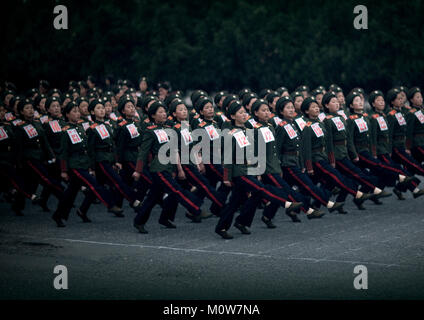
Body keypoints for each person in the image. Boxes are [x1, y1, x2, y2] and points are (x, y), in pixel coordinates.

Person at [215, 101, 302, 239]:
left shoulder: (249, 131)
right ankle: (286, 203)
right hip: (239, 171)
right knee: (261, 189)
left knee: (236, 201)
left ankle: (230, 225)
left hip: (249, 169)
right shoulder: (231, 133)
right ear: (232, 116)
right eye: (240, 113)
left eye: (245, 112)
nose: (244, 115)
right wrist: (226, 177)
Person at [250, 99, 324, 224]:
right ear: (255, 113)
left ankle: (266, 216)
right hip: (268, 168)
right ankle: (308, 210)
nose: (267, 112)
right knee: (283, 190)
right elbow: (260, 151)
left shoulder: (272, 126)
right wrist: (258, 170)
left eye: (268, 110)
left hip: (276, 166)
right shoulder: (257, 129)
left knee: (279, 192)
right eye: (263, 110)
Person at [132, 101, 203, 234]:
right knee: (176, 190)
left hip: (168, 167)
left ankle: (140, 221)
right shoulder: (150, 131)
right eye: (160, 112)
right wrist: (138, 170)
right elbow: (143, 152)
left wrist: (177, 168)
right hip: (158, 168)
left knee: (153, 197)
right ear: (153, 115)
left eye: (164, 111)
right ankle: (195, 208)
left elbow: (174, 149)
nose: (164, 114)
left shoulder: (168, 129)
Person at [53, 102, 123, 227]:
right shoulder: (65, 130)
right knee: (94, 184)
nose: (77, 113)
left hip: (83, 163)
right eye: (73, 111)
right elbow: (63, 152)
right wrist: (63, 170)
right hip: (75, 165)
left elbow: (88, 149)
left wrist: (91, 166)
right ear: (67, 114)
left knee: (71, 193)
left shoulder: (81, 127)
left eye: (77, 111)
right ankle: (111, 205)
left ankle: (60, 214)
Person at [322, 92, 392, 207]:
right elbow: (329, 142)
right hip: (337, 155)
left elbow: (348, 139)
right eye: (333, 102)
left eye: (337, 101)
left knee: (345, 179)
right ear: (326, 105)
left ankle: (332, 202)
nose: (337, 104)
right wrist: (332, 159)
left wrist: (352, 154)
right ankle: (374, 190)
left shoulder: (340, 118)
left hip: (345, 153)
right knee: (355, 174)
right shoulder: (327, 120)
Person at [301, 96, 372, 210]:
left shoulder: (320, 123)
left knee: (330, 182)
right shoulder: (309, 126)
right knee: (335, 177)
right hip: (316, 158)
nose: (316, 109)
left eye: (316, 106)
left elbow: (330, 142)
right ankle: (357, 194)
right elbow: (307, 148)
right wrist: (309, 166)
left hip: (326, 157)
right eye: (313, 107)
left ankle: (316, 204)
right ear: (306, 111)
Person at [345, 91, 419, 200]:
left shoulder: (368, 117)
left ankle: (361, 198)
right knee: (378, 167)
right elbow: (351, 139)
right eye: (356, 101)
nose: (360, 102)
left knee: (374, 175)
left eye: (360, 100)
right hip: (360, 151)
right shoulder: (353, 119)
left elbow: (372, 136)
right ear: (351, 105)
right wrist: (356, 153)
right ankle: (401, 178)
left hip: (371, 149)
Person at [275, 96, 343, 213]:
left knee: (290, 190)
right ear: (281, 111)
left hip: (295, 161)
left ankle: (272, 214)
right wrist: (279, 166)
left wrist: (302, 164)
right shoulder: (281, 127)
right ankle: (327, 204)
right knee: (307, 185)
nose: (291, 110)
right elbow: (278, 149)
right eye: (288, 108)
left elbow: (300, 147)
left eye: (292, 108)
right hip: (287, 163)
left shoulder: (293, 125)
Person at [86, 98, 142, 219]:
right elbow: (90, 150)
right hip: (101, 159)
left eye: (103, 108)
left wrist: (116, 160)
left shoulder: (108, 125)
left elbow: (114, 144)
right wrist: (91, 167)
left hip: (109, 158)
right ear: (92, 112)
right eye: (98, 108)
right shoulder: (92, 129)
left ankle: (82, 210)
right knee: (117, 180)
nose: (102, 110)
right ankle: (133, 201)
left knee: (99, 185)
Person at [367, 90, 424, 199]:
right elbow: (387, 134)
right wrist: (388, 150)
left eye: (382, 100)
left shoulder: (399, 114)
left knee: (385, 175)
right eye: (398, 99)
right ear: (392, 102)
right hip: (392, 148)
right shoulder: (389, 115)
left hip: (398, 145)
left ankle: (374, 193)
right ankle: (414, 189)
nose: (401, 100)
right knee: (404, 166)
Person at [14, 98, 64, 214]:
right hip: (29, 158)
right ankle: (61, 194)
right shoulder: (20, 127)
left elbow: (45, 142)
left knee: (31, 182)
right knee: (45, 177)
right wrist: (18, 163)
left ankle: (17, 205)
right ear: (21, 112)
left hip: (40, 155)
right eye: (27, 108)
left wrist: (51, 155)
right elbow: (18, 147)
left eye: (31, 108)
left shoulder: (37, 123)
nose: (30, 111)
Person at [406, 87, 424, 162]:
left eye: (421, 97)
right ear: (411, 100)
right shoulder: (411, 113)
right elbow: (409, 131)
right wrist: (408, 147)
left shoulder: (422, 111)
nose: (420, 99)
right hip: (417, 144)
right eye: (417, 97)